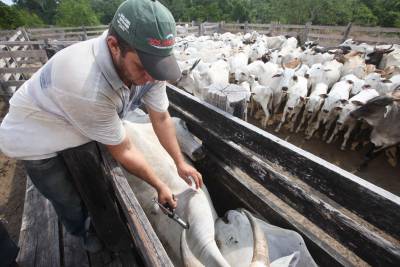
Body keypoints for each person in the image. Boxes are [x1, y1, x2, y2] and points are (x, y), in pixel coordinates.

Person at [0, 0, 202, 253]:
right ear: (114, 46)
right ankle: (83, 233)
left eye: (157, 66)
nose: (151, 77)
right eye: (143, 67)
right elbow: (124, 150)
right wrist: (160, 185)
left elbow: (160, 117)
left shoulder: (149, 68)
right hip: (35, 135)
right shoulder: (87, 85)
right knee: (67, 199)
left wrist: (180, 162)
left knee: (95, 176)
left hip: (78, 120)